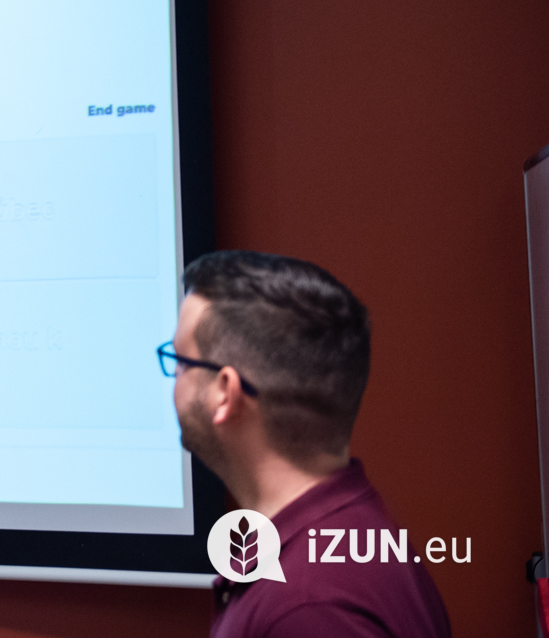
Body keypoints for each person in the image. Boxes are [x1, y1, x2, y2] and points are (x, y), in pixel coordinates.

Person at [162, 250, 450, 637]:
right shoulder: (347, 539)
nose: (174, 378)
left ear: (225, 393)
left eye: (181, 361)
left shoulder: (307, 608)